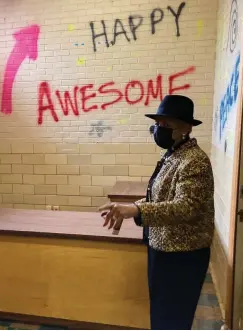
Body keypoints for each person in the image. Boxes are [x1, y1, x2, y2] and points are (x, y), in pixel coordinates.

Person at [99, 95, 214, 330]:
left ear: (185, 128)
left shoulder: (195, 161)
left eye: (165, 125)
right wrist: (133, 207)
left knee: (173, 319)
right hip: (162, 248)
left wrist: (136, 209)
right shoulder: (174, 154)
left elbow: (186, 207)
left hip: (182, 256)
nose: (158, 130)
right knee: (162, 314)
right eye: (157, 124)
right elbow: (161, 198)